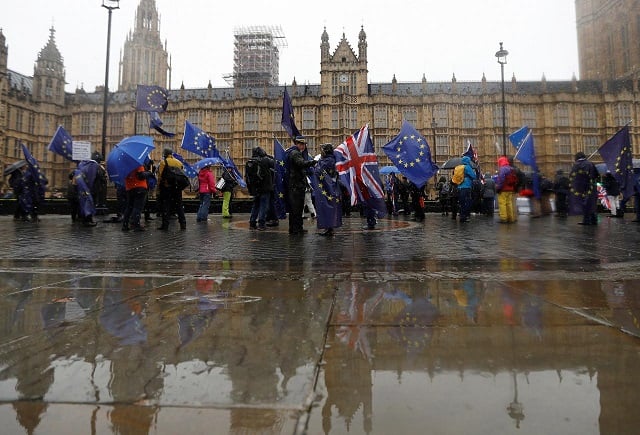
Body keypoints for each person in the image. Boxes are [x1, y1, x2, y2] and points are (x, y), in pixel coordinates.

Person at [287, 135, 317, 235]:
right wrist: (312, 162)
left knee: (297, 209)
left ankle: (295, 228)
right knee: (297, 209)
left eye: (304, 144)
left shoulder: (295, 152)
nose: (303, 146)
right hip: (296, 185)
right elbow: (300, 163)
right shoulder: (295, 153)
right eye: (301, 144)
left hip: (296, 184)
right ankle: (296, 229)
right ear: (297, 144)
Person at [312, 143, 342, 236]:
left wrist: (315, 165)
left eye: (323, 150)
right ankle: (329, 228)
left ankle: (329, 228)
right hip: (331, 187)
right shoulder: (331, 159)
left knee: (327, 207)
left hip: (327, 188)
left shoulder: (328, 160)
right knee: (329, 207)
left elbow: (318, 171)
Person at [157, 148, 187, 230]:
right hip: (177, 187)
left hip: (167, 187)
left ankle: (165, 225)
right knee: (179, 206)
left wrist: (159, 187)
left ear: (165, 154)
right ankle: (183, 224)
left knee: (166, 206)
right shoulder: (178, 162)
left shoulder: (163, 162)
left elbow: (160, 176)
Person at [247, 146, 274, 231]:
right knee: (263, 206)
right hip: (264, 188)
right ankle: (261, 224)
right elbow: (275, 163)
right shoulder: (265, 160)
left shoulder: (249, 162)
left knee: (255, 206)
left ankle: (252, 223)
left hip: (255, 189)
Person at [569, 151, 599, 225]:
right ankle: (594, 219)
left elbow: (572, 176)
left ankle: (586, 220)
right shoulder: (590, 164)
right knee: (591, 202)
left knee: (584, 203)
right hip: (591, 186)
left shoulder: (575, 165)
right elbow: (596, 174)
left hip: (581, 188)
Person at [122, 164, 151, 232]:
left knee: (129, 207)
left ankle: (125, 225)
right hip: (139, 188)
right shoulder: (137, 164)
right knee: (137, 208)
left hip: (129, 188)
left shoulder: (124, 166)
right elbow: (141, 176)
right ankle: (136, 225)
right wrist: (148, 173)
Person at [495, 156, 518, 223]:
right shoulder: (511, 168)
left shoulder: (503, 169)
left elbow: (501, 179)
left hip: (503, 189)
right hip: (511, 189)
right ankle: (510, 218)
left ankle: (504, 218)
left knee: (502, 204)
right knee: (509, 204)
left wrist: (498, 188)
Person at [457, 155, 477, 223]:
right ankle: (464, 216)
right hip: (466, 186)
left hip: (459, 187)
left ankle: (462, 216)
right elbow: (473, 176)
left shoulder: (459, 167)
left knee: (462, 203)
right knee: (467, 202)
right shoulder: (467, 167)